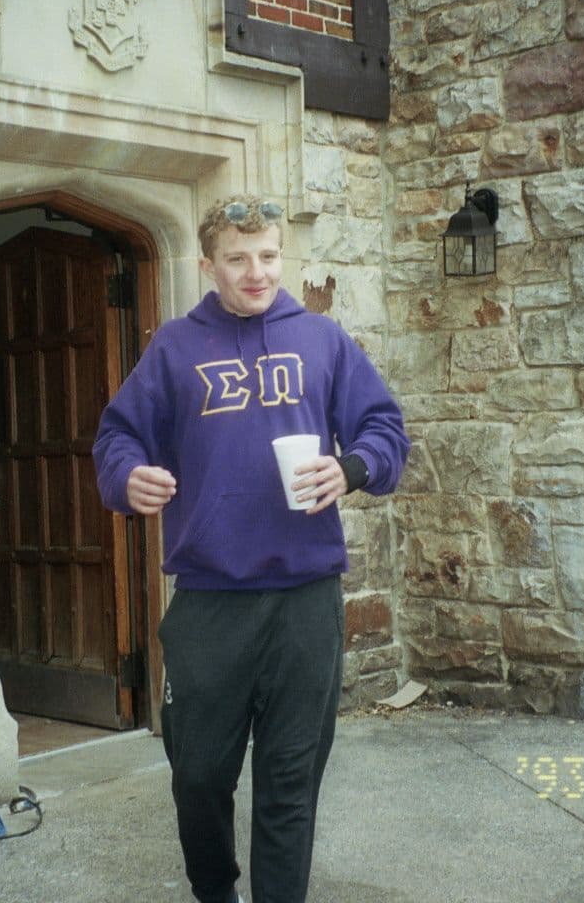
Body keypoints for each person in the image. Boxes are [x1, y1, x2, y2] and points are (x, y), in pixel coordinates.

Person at [93, 195, 409, 903]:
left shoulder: (323, 341)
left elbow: (385, 430)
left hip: (306, 596)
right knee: (199, 774)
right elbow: (117, 436)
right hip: (210, 600)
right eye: (237, 260)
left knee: (291, 778)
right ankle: (215, 890)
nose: (256, 273)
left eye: (267, 256)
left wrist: (350, 468)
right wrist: (126, 477)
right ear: (208, 265)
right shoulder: (174, 346)